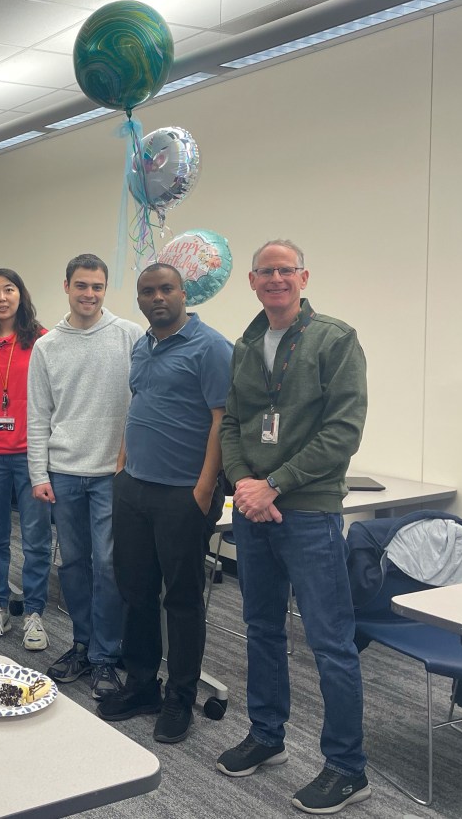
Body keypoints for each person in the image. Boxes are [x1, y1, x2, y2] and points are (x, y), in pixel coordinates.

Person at [216, 240, 370, 815]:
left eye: (286, 270)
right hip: (254, 508)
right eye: (266, 271)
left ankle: (348, 768)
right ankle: (267, 735)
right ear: (252, 282)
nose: (276, 279)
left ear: (303, 277)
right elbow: (233, 424)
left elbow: (343, 431)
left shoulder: (335, 339)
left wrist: (274, 484)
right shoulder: (246, 344)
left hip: (307, 509)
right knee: (260, 628)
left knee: (330, 642)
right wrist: (243, 483)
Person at [101, 263, 232, 745]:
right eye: (147, 291)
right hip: (134, 487)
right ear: (139, 299)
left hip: (183, 494)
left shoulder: (212, 347)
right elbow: (138, 405)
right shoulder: (143, 345)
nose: (157, 297)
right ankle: (141, 685)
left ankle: (180, 696)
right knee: (135, 592)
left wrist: (204, 489)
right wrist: (122, 465)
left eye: (166, 289)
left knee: (181, 599)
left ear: (183, 293)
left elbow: (222, 421)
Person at [28, 253, 140, 699]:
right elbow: (38, 414)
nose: (89, 294)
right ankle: (82, 643)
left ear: (105, 290)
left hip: (112, 472)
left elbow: (142, 404)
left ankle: (106, 655)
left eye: (97, 286)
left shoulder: (130, 335)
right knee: (73, 564)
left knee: (108, 566)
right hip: (64, 472)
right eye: (81, 285)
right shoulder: (47, 346)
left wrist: (130, 462)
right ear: (67, 287)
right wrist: (38, 473)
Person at [0, 268, 51, 652]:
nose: (2, 298)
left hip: (32, 452)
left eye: (9, 290)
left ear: (21, 295)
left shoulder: (42, 339)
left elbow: (50, 394)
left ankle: (34, 612)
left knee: (36, 538)